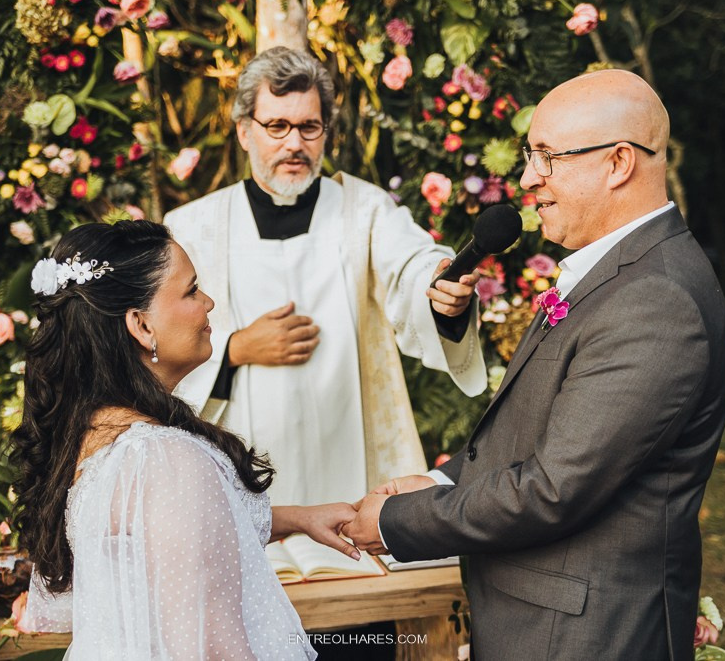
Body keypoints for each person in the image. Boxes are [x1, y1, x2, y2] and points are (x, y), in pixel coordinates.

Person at [345, 70, 725, 660]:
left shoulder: (655, 300)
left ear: (618, 163)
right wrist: (438, 483)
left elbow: (555, 488)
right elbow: (547, 436)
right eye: (530, 157)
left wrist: (398, 521)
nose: (528, 179)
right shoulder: (619, 273)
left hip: (585, 635)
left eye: (548, 157)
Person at [10, 220, 360, 659]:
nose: (209, 303)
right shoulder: (163, 461)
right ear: (141, 325)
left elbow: (157, 543)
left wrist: (298, 518)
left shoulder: (92, 434)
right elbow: (212, 649)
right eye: (192, 291)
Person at [164, 47, 487, 508]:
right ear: (243, 131)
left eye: (309, 127)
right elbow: (155, 338)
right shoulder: (193, 226)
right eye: (276, 126)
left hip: (350, 456)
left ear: (325, 132)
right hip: (238, 453)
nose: (294, 144)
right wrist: (234, 349)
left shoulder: (365, 210)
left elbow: (414, 265)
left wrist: (439, 292)